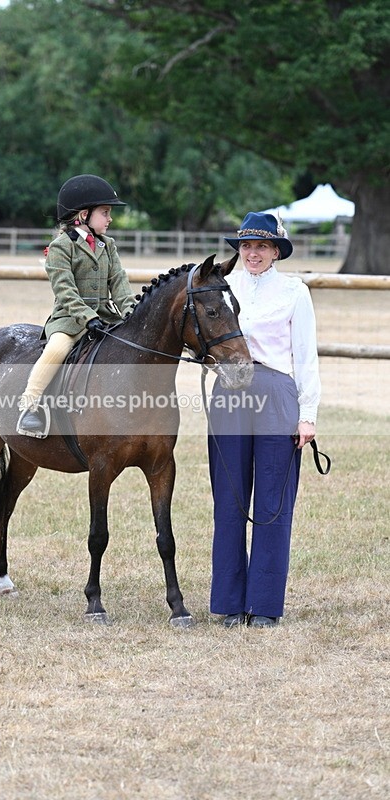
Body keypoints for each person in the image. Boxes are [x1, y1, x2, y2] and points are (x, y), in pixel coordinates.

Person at [207, 211, 321, 628]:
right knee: (230, 499)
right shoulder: (221, 288)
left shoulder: (295, 292)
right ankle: (230, 602)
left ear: (276, 250)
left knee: (273, 504)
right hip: (229, 394)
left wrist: (306, 415)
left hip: (276, 393)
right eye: (246, 246)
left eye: (261, 246)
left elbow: (306, 357)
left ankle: (266, 604)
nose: (252, 253)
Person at [17, 174, 136, 437]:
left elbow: (119, 284)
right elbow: (65, 290)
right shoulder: (60, 247)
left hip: (105, 318)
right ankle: (30, 406)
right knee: (56, 350)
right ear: (83, 215)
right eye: (105, 212)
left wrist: (132, 314)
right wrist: (87, 317)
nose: (110, 218)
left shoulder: (108, 245)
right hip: (70, 320)